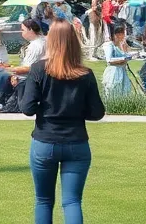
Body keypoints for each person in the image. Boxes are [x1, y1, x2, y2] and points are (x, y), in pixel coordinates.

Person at [20, 20, 106, 224]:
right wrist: (75, 110)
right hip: (76, 142)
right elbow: (97, 112)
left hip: (45, 141)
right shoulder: (85, 74)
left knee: (43, 200)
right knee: (72, 202)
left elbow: (27, 108)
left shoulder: (38, 69)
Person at [101, 21, 131, 97]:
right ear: (118, 34)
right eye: (123, 33)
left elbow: (125, 57)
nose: (124, 35)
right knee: (113, 94)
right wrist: (123, 59)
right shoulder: (109, 45)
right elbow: (109, 60)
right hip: (113, 73)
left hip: (122, 71)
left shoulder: (121, 44)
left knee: (124, 94)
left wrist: (125, 50)